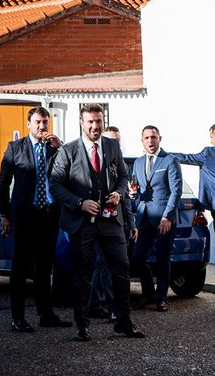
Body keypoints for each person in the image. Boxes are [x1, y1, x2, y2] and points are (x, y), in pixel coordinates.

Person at [50, 103, 144, 341]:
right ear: (81, 122)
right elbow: (56, 186)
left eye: (98, 121)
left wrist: (119, 193)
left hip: (111, 221)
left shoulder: (112, 146)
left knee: (121, 269)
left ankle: (124, 321)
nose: (95, 126)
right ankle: (82, 326)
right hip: (82, 223)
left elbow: (123, 176)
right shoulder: (68, 151)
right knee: (82, 273)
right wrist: (79, 202)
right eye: (90, 121)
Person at [0, 106, 72, 333]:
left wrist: (61, 148)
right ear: (29, 124)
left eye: (45, 123)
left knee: (44, 267)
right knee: (20, 268)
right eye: (38, 122)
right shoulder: (15, 149)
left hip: (48, 215)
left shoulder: (55, 149)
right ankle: (17, 318)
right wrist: (5, 215)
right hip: (24, 216)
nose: (42, 127)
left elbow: (69, 175)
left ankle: (46, 314)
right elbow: (3, 185)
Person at [171, 122, 215, 296]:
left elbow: (186, 157)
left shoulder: (209, 152)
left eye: (211, 137)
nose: (210, 140)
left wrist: (164, 155)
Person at [87, 126, 137, 322]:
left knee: (103, 265)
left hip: (118, 222)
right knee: (109, 265)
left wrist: (131, 223)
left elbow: (126, 199)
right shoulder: (94, 163)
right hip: (98, 223)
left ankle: (93, 305)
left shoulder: (120, 164)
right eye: (111, 140)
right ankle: (113, 306)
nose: (114, 144)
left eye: (117, 140)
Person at [129, 125, 182, 312]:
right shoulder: (137, 162)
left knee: (162, 259)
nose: (150, 141)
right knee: (137, 257)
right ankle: (148, 295)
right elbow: (136, 188)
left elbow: (176, 191)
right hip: (144, 217)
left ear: (160, 138)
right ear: (142, 141)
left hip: (163, 219)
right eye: (147, 138)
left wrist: (167, 216)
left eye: (153, 137)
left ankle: (160, 298)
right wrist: (133, 193)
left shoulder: (169, 160)